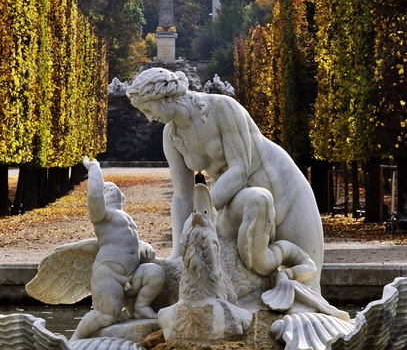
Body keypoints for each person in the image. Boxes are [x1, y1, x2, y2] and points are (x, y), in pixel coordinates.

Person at [127, 68, 323, 290]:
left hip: (285, 190)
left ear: (163, 96)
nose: (149, 117)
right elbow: (182, 196)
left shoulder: (222, 108)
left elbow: (240, 169)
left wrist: (202, 213)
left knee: (309, 285)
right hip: (239, 200)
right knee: (245, 280)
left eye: (147, 108)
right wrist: (177, 253)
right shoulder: (172, 137)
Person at [73, 157, 165, 339]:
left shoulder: (125, 217)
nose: (109, 188)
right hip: (109, 274)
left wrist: (143, 246)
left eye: (113, 187)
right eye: (105, 188)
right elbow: (95, 196)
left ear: (122, 198)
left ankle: (140, 307)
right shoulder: (102, 217)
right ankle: (74, 341)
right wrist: (94, 170)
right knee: (106, 316)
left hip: (133, 274)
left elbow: (129, 241)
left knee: (156, 274)